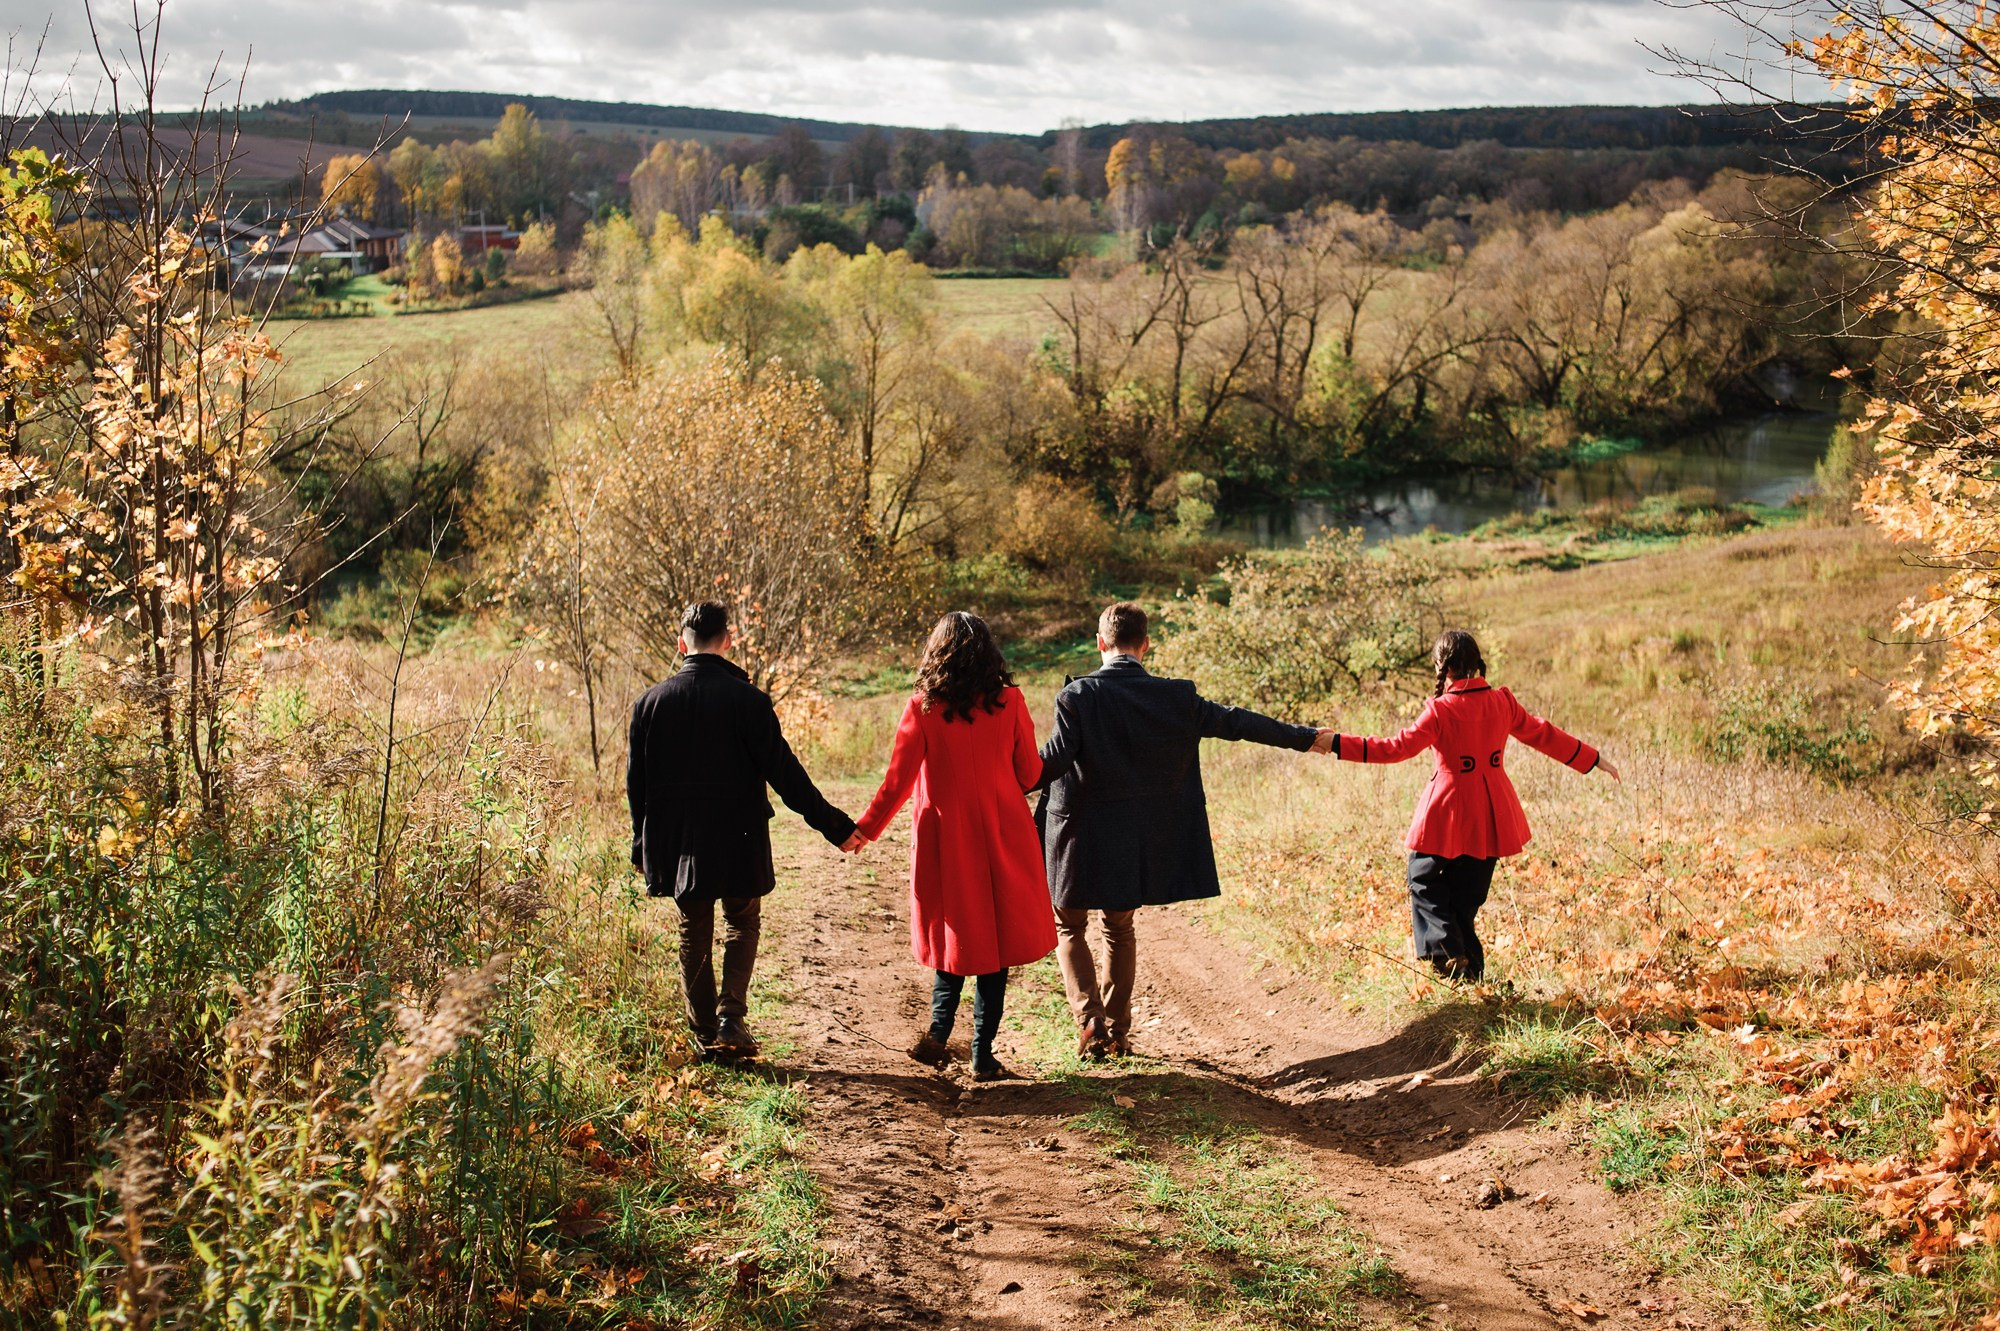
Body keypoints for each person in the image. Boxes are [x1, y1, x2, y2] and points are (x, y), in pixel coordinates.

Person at [1034, 602, 1336, 1060]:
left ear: (1100, 643)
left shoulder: (1077, 696)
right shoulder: (1175, 696)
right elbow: (1237, 721)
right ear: (1145, 644)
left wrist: (994, 776)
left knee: (1069, 925)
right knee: (1118, 928)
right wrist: (1304, 737)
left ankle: (1089, 1020)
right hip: (1133, 838)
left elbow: (1051, 762)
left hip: (1077, 836)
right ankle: (1117, 1030)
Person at [627, 600, 862, 1059]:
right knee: (742, 919)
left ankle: (704, 1033)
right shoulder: (749, 701)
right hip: (739, 836)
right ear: (728, 642)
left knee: (693, 927)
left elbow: (637, 785)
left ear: (681, 645)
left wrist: (641, 846)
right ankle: (731, 1020)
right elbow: (786, 775)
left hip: (679, 841)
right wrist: (835, 827)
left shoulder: (649, 704)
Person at [1324, 628, 1620, 982]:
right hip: (1492, 813)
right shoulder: (1502, 702)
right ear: (1477, 663)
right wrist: (1592, 758)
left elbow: (1394, 748)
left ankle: (1450, 955)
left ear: (1441, 667)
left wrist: (1336, 743)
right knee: (1465, 899)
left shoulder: (1440, 711)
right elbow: (1543, 734)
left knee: (1422, 879)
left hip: (1446, 812)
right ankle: (1470, 975)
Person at [851, 612, 1055, 1082]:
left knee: (956, 934)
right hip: (1003, 830)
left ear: (936, 653)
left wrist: (865, 829)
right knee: (995, 941)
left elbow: (897, 783)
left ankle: (939, 1035)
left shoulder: (922, 707)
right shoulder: (1011, 701)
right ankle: (983, 1055)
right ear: (989, 653)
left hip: (947, 836)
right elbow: (1030, 773)